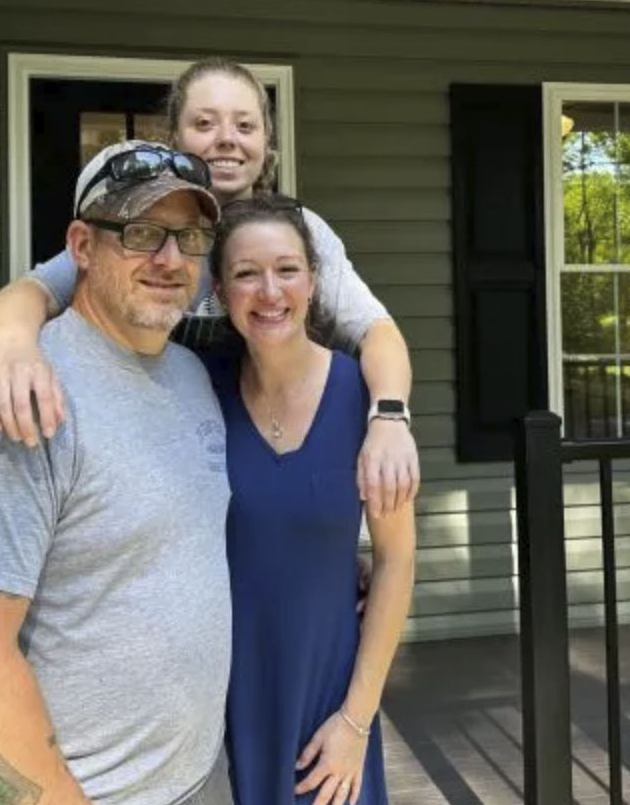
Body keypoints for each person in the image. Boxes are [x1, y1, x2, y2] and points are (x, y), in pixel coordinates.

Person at [0, 144, 234, 805]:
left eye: (190, 237)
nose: (171, 259)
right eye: (141, 233)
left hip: (200, 776)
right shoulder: (17, 400)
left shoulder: (189, 376)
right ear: (82, 246)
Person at [0, 58, 420, 515]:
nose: (227, 138)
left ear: (266, 141)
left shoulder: (297, 230)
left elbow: (377, 331)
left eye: (245, 125)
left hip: (271, 469)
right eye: (205, 123)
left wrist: (389, 417)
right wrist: (12, 345)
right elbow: (31, 292)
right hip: (165, 469)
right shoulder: (140, 233)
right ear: (175, 137)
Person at [207, 195, 415, 805]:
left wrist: (356, 721)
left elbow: (396, 561)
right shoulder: (200, 390)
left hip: (329, 702)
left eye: (287, 270)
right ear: (220, 291)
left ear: (315, 281)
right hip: (219, 704)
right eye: (246, 273)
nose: (269, 291)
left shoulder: (364, 399)